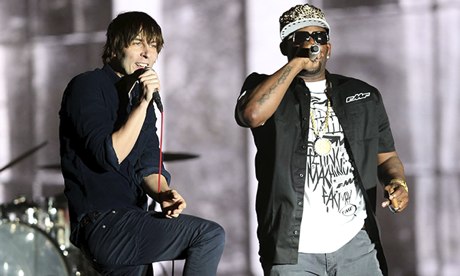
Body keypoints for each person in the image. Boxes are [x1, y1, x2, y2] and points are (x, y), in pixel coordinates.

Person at [235, 4, 409, 276]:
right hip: (293, 251)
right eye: (302, 37)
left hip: (356, 244)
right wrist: (296, 63)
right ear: (285, 47)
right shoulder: (263, 86)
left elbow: (386, 156)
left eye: (319, 37)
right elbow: (252, 115)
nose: (312, 43)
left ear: (329, 47)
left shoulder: (363, 95)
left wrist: (397, 182)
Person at [59, 11, 225, 276]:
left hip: (133, 222)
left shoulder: (139, 102)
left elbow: (147, 165)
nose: (148, 53)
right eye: (138, 43)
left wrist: (164, 194)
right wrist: (144, 103)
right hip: (103, 223)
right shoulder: (88, 86)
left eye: (154, 46)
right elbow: (109, 154)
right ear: (114, 47)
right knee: (208, 235)